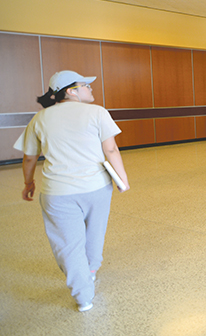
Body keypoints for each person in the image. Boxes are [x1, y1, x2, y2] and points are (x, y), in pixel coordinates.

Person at [14, 70, 130, 311]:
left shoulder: (41, 118)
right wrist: (122, 179)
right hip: (97, 187)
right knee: (95, 232)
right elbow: (111, 150)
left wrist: (29, 183)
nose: (91, 88)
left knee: (68, 243)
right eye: (86, 85)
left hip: (58, 192)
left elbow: (29, 158)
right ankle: (90, 270)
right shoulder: (98, 112)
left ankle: (83, 295)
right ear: (71, 90)